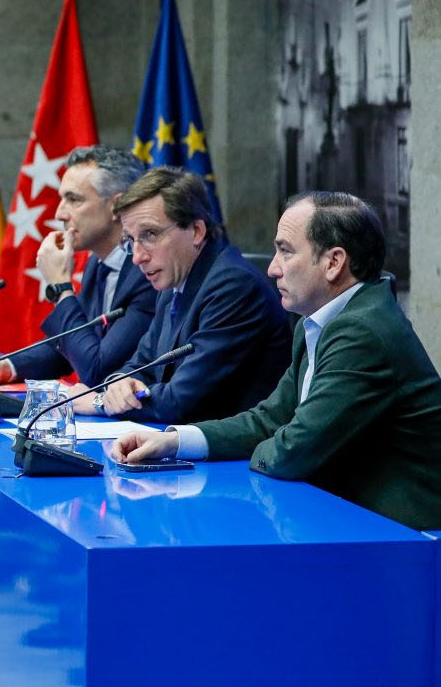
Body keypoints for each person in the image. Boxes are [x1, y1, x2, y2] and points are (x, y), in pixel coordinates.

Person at [110, 192, 441, 530]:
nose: (272, 268)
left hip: (406, 537)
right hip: (350, 520)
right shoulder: (318, 321)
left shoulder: (361, 332)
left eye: (285, 251)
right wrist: (174, 441)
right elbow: (271, 419)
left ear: (333, 262)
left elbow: (293, 452)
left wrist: (267, 444)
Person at [71, 167, 290, 422]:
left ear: (196, 231)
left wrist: (99, 402)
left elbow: (181, 401)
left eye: (150, 235)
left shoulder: (233, 287)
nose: (138, 256)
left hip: (237, 455)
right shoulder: (174, 281)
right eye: (130, 241)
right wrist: (119, 384)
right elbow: (141, 365)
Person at [0, 145, 155, 386]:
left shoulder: (147, 271)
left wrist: (61, 287)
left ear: (117, 207)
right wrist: (8, 366)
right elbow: (71, 344)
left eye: (74, 200)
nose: (59, 214)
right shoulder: (98, 262)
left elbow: (98, 370)